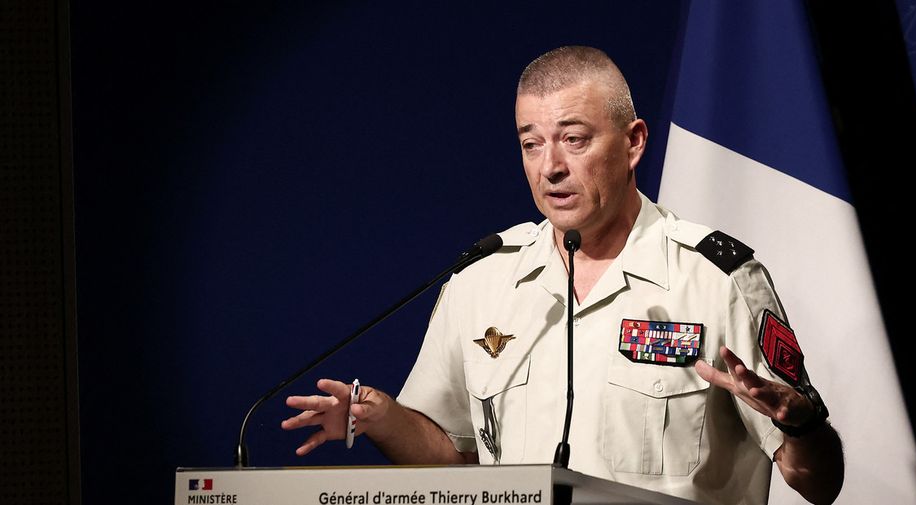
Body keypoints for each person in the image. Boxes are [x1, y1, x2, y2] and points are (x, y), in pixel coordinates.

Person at [282, 46, 844, 505]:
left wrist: (800, 426)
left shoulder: (716, 278)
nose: (550, 166)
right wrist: (380, 418)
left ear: (633, 142)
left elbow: (821, 482)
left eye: (574, 139)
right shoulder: (481, 280)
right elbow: (454, 462)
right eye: (531, 143)